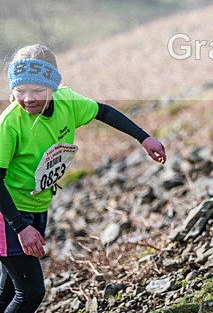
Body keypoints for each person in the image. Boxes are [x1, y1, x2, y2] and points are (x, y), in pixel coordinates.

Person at [0, 44, 166, 311]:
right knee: (30, 292)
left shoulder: (67, 102)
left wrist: (143, 138)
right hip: (8, 212)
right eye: (20, 90)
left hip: (35, 205)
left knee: (9, 289)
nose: (28, 98)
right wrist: (20, 227)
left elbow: (103, 111)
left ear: (53, 86)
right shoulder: (9, 124)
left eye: (38, 90)